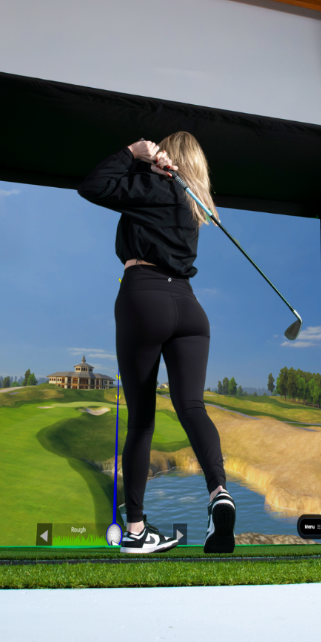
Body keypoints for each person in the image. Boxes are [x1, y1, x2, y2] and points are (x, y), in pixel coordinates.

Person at [78, 133, 236, 555]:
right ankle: (218, 490)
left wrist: (133, 153)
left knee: (142, 421)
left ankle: (135, 531)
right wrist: (153, 167)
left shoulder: (155, 188)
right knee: (192, 407)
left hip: (144, 297)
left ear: (173, 158)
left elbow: (92, 185)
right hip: (189, 308)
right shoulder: (194, 204)